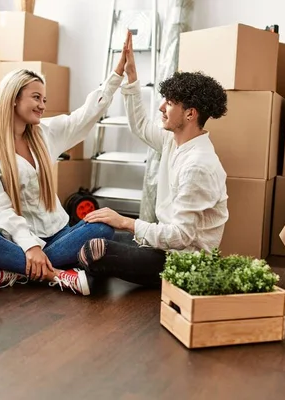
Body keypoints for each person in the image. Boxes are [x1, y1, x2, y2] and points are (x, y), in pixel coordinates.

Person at [0, 37, 131, 295]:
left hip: (59, 235)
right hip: (15, 240)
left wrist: (116, 76)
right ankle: (56, 274)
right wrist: (30, 247)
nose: (42, 105)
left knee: (102, 225)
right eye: (36, 97)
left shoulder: (45, 133)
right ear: (13, 98)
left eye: (44, 99)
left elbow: (83, 118)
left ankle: (15, 269)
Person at [77, 33, 229, 287]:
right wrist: (132, 76)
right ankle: (78, 277)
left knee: (95, 249)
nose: (161, 108)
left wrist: (125, 222)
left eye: (169, 103)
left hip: (183, 261)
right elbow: (140, 125)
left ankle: (78, 277)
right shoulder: (175, 141)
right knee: (94, 234)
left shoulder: (198, 166)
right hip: (163, 246)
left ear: (190, 114)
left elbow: (181, 237)